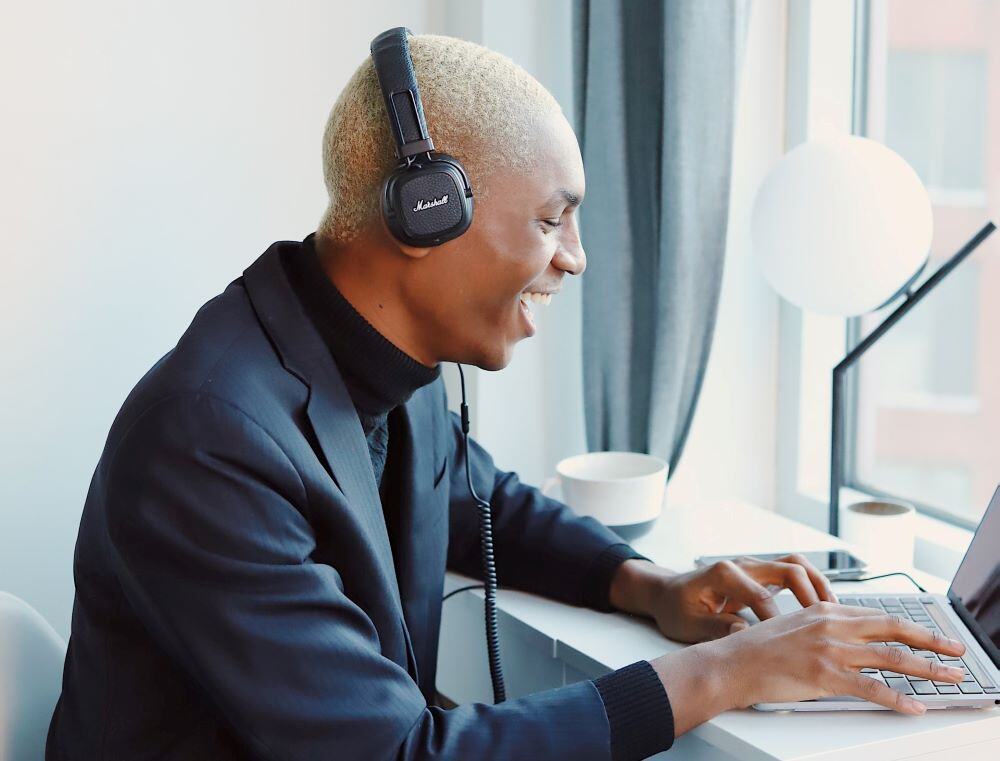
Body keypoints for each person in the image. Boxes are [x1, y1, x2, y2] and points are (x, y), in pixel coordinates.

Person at [46, 32, 967, 761]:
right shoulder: (210, 441)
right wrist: (728, 671)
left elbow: (480, 501)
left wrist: (653, 587)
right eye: (551, 216)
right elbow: (395, 752)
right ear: (426, 211)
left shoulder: (367, 357)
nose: (575, 256)